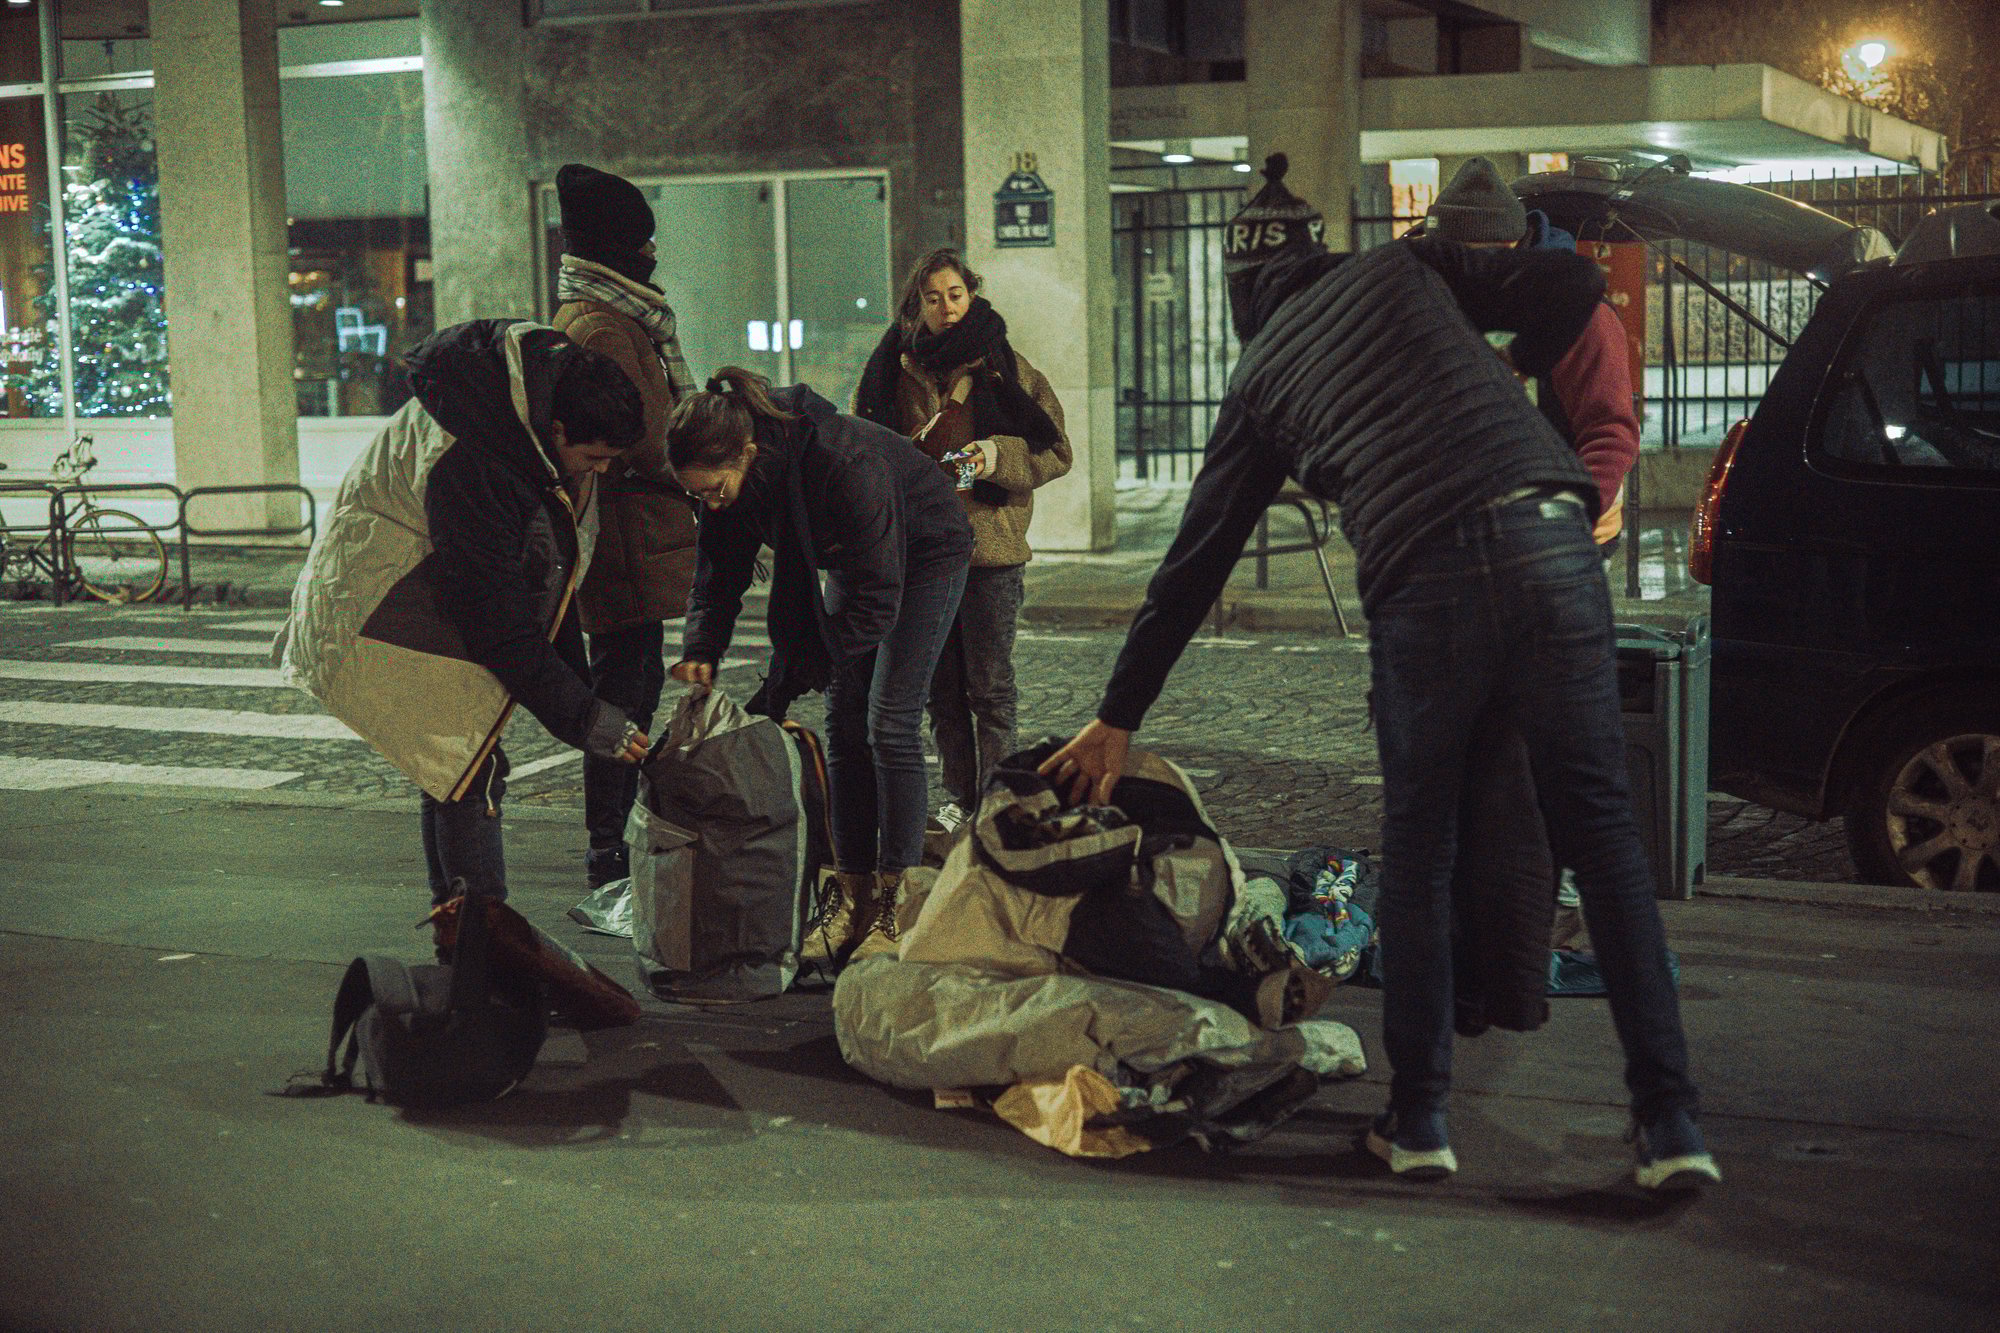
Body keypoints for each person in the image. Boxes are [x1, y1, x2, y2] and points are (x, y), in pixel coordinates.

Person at [1039, 155, 1718, 1193]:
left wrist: (1117, 715)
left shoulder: (1260, 381)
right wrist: (1512, 356)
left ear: (1242, 299)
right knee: (1602, 835)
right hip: (1550, 529)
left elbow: (1192, 568)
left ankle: (1420, 1119)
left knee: (1421, 847)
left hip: (1426, 568)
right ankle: (1670, 1124)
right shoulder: (1403, 270)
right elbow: (1575, 281)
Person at [276, 319, 651, 912]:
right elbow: (495, 614)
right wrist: (583, 716)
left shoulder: (522, 416)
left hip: (424, 586)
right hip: (386, 600)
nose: (600, 470)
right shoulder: (480, 455)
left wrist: (582, 704)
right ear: (557, 430)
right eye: (595, 457)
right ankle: (482, 935)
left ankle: (466, 933)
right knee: (464, 763)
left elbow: (541, 592)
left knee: (455, 767)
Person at [666, 368, 973, 965]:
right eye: (697, 495)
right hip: (853, 557)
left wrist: (794, 674)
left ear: (747, 453)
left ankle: (898, 899)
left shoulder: (844, 461)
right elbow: (718, 573)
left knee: (889, 719)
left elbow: (877, 602)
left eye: (715, 490)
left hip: (927, 551)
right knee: (842, 722)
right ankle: (849, 892)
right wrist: (701, 648)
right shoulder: (732, 482)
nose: (710, 503)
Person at [1425, 158, 1648, 951]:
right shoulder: (1442, 296)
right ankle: (1492, 892)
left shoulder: (1578, 313)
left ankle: (1552, 898)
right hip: (1473, 543)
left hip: (1563, 544)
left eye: (1471, 259)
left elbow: (1610, 431)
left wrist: (1561, 526)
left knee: (1538, 732)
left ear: (1509, 249)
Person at [853, 248, 1071, 833]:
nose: (946, 308)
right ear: (917, 306)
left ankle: (997, 799)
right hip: (922, 553)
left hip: (990, 551)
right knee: (940, 690)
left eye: (955, 295)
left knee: (990, 687)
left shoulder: (1009, 369)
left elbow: (1057, 450)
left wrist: (995, 456)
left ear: (971, 295)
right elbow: (864, 445)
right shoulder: (894, 371)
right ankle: (958, 796)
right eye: (933, 298)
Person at [551, 163, 702, 892]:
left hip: (633, 535)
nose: (651, 254)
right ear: (616, 247)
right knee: (622, 692)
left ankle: (618, 838)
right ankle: (608, 848)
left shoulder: (614, 316)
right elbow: (639, 436)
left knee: (631, 683)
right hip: (625, 540)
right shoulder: (603, 327)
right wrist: (702, 457)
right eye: (642, 241)